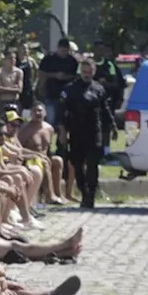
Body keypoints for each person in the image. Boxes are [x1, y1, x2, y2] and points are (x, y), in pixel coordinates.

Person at [58, 59, 115, 210]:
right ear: (80, 72)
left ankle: (90, 196)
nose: (87, 75)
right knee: (77, 165)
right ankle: (83, 192)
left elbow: (106, 109)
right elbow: (61, 113)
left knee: (92, 165)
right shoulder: (70, 89)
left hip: (94, 131)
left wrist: (113, 127)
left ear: (94, 72)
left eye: (90, 72)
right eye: (84, 72)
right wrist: (62, 132)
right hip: (76, 131)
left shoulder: (98, 88)